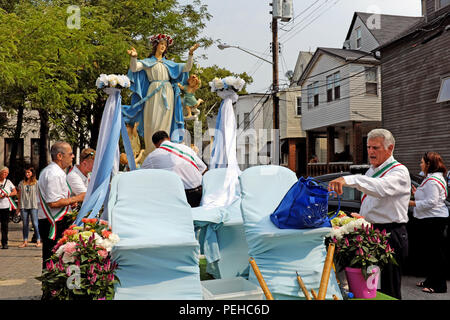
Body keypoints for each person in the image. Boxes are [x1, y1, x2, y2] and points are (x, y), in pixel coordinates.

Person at [328, 128, 410, 299]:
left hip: (390, 234)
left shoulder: (399, 172)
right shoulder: (371, 171)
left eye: (376, 148)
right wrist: (362, 218)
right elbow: (373, 201)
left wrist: (350, 179)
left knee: (388, 290)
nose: (371, 152)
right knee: (370, 288)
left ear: (390, 148)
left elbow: (379, 188)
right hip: (372, 233)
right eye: (369, 147)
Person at [124, 34, 200, 159]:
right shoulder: (148, 62)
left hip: (167, 93)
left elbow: (187, 67)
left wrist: (190, 54)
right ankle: (151, 152)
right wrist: (134, 57)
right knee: (151, 122)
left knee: (165, 122)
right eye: (161, 44)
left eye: (165, 45)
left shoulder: (169, 64)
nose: (163, 47)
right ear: (156, 46)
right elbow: (134, 67)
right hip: (153, 93)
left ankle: (164, 151)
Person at [38, 142, 84, 268]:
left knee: (55, 259)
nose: (73, 156)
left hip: (54, 220)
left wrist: (69, 202)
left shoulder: (54, 171)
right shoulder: (54, 173)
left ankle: (52, 286)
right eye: (70, 154)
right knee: (53, 260)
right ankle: (51, 287)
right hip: (54, 222)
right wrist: (78, 198)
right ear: (59, 156)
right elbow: (53, 202)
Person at [409, 152, 448, 294]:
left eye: (422, 162)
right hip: (432, 219)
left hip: (434, 220)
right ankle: (430, 280)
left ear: (429, 164)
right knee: (431, 254)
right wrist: (417, 192)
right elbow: (430, 196)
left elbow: (431, 202)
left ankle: (439, 286)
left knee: (436, 255)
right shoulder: (433, 178)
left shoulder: (432, 181)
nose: (420, 165)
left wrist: (413, 202)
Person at [141, 130, 207, 207]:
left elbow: (142, 175)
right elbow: (203, 169)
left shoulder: (152, 156)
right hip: (200, 193)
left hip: (181, 197)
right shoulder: (186, 148)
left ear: (155, 144)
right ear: (169, 138)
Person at [16, 166, 41, 248]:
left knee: (35, 223)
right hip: (24, 205)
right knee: (25, 224)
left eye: (29, 172)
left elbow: (40, 195)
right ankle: (25, 241)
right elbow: (19, 196)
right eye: (26, 172)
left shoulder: (37, 183)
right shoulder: (21, 183)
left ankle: (38, 240)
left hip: (34, 205)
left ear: (32, 173)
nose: (27, 174)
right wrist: (18, 207)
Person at [0, 166, 17, 249]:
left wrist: (8, 194)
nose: (5, 174)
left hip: (5, 207)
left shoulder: (8, 182)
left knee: (5, 225)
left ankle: (4, 242)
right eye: (4, 172)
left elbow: (15, 192)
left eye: (6, 173)